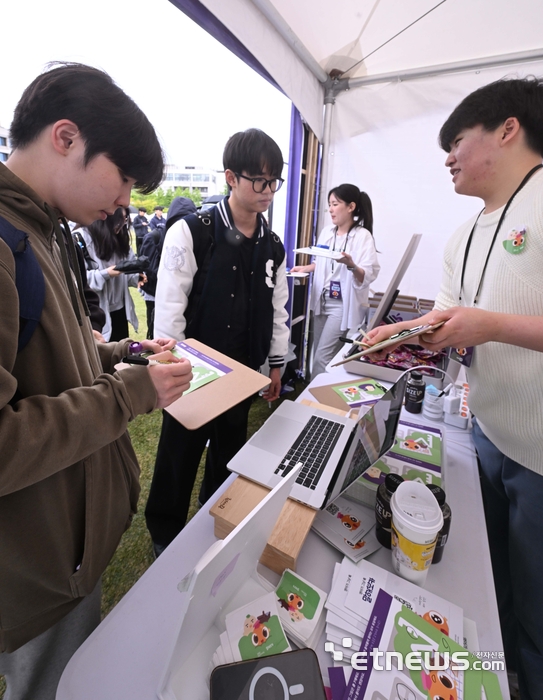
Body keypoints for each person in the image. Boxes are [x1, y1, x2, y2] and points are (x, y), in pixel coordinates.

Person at [0, 63, 193, 700]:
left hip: (72, 551)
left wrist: (122, 353)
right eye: (125, 178)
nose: (126, 202)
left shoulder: (47, 230)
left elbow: (50, 358)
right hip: (33, 570)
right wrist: (132, 392)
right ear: (65, 137)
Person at [365, 77, 543, 699]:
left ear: (508, 129)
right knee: (492, 588)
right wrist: (400, 330)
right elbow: (447, 315)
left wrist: (489, 325)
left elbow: (480, 321)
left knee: (536, 607)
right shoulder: (464, 235)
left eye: (457, 142)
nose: (447, 158)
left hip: (541, 458)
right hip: (487, 433)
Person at [145, 128, 289, 556]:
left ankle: (215, 519)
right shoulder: (194, 231)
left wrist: (276, 363)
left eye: (273, 181)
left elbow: (277, 308)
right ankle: (163, 533)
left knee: (230, 455)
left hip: (244, 371)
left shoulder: (273, 245)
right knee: (179, 453)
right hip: (194, 370)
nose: (267, 191)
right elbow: (169, 311)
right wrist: (173, 366)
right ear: (231, 177)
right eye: (258, 180)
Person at [292, 184, 380, 376]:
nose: (331, 209)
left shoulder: (362, 236)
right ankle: (320, 394)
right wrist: (305, 268)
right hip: (321, 299)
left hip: (340, 305)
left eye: (335, 204)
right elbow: (320, 262)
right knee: (321, 352)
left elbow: (367, 274)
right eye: (329, 204)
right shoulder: (327, 232)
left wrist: (350, 264)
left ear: (351, 207)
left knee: (321, 357)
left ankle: (314, 400)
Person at [80, 206, 144, 341]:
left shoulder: (120, 238)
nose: (123, 223)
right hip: (95, 312)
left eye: (125, 219)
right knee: (100, 357)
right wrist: (106, 273)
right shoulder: (82, 239)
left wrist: (136, 276)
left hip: (119, 310)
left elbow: (128, 268)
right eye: (121, 219)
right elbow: (77, 280)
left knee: (119, 355)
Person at [140, 196, 197, 340]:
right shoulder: (154, 237)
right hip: (154, 296)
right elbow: (145, 268)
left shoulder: (196, 237)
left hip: (186, 299)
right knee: (156, 331)